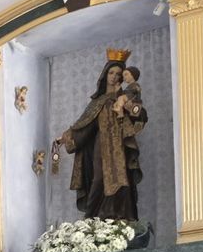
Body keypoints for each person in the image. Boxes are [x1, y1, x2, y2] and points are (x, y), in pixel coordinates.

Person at [60, 58, 147, 221]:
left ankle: (123, 219)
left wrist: (126, 103)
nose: (114, 77)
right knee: (99, 178)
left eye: (118, 74)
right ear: (105, 74)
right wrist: (68, 136)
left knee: (122, 179)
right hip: (101, 145)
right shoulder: (97, 102)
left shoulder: (125, 96)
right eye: (111, 72)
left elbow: (139, 114)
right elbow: (85, 125)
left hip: (119, 144)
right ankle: (93, 219)